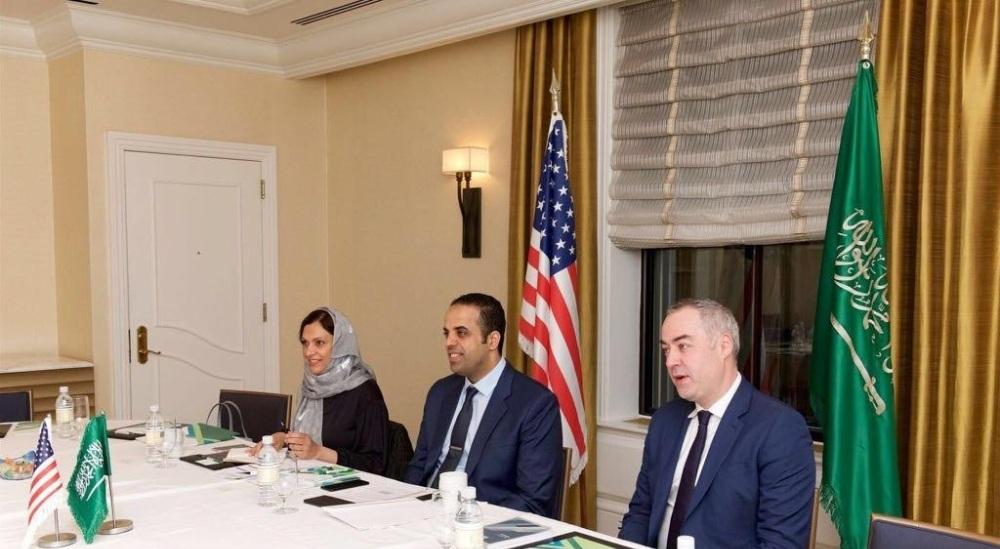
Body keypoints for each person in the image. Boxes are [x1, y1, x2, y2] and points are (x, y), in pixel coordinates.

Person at [619, 299, 815, 549]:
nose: (670, 361)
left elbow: (780, 545)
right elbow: (640, 513)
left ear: (724, 346)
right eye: (667, 349)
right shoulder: (664, 421)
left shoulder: (780, 430)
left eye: (683, 346)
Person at [404, 293, 563, 518]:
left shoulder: (535, 404)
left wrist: (465, 517)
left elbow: (533, 501)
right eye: (447, 333)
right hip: (422, 517)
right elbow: (418, 468)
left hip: (481, 522)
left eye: (461, 333)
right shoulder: (440, 393)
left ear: (492, 340)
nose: (449, 342)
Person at [251, 307, 388, 474]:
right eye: (305, 343)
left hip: (350, 485)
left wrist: (319, 452)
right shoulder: (311, 385)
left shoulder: (365, 392)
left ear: (340, 346)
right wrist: (283, 438)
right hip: (308, 478)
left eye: (319, 343)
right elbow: (308, 437)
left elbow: (375, 464)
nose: (308, 352)